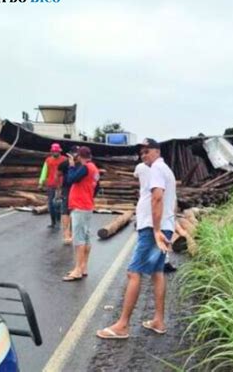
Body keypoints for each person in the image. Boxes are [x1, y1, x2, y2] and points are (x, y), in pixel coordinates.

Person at [96, 138, 176, 339]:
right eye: (141, 152)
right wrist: (166, 229)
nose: (143, 155)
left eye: (147, 151)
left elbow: (157, 197)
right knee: (157, 272)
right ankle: (158, 320)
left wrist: (156, 230)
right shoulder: (166, 170)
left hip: (152, 229)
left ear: (157, 151)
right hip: (163, 227)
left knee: (133, 272)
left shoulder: (157, 169)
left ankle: (122, 325)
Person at [63, 146, 100, 281]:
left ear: (79, 156)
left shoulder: (85, 168)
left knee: (78, 239)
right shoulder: (94, 169)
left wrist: (72, 166)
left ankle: (78, 269)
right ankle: (83, 266)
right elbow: (97, 187)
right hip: (87, 204)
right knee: (86, 237)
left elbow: (70, 179)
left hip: (80, 206)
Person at [38, 143, 66, 228]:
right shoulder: (48, 160)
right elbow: (44, 172)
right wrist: (41, 182)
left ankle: (59, 219)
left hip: (62, 185)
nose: (55, 153)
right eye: (53, 151)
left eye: (56, 151)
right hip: (51, 184)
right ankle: (53, 221)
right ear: (51, 152)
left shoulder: (64, 160)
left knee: (59, 203)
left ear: (59, 151)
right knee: (51, 203)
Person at [57, 145, 80, 244]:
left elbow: (58, 174)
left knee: (72, 211)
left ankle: (70, 232)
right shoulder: (66, 164)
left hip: (75, 189)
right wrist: (58, 187)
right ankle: (67, 234)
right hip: (68, 189)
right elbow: (58, 174)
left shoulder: (80, 164)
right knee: (66, 211)